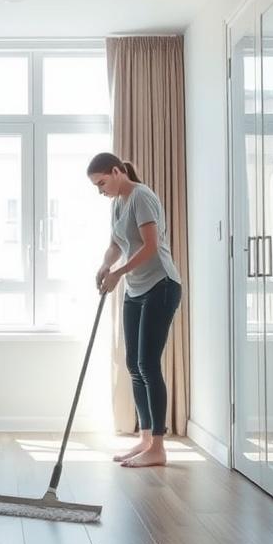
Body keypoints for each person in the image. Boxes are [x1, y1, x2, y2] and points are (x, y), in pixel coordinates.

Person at [87, 152, 182, 467]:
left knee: (148, 363)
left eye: (102, 183)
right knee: (133, 363)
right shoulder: (117, 203)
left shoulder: (141, 196)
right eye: (97, 187)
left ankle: (158, 447)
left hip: (161, 285)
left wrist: (118, 273)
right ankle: (144, 439)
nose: (100, 191)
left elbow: (150, 245)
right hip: (137, 288)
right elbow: (117, 243)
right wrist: (105, 265)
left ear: (116, 172)